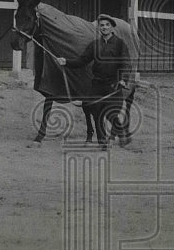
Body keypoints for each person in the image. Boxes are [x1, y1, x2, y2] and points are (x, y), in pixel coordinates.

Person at [56, 14, 132, 149]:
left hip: (114, 85)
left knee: (111, 113)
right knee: (96, 113)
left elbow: (126, 63)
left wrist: (123, 79)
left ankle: (122, 133)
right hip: (97, 84)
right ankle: (102, 142)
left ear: (112, 27)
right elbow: (82, 61)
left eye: (107, 25)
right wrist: (66, 62)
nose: (104, 27)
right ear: (99, 28)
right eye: (102, 25)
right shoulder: (94, 44)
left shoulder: (120, 43)